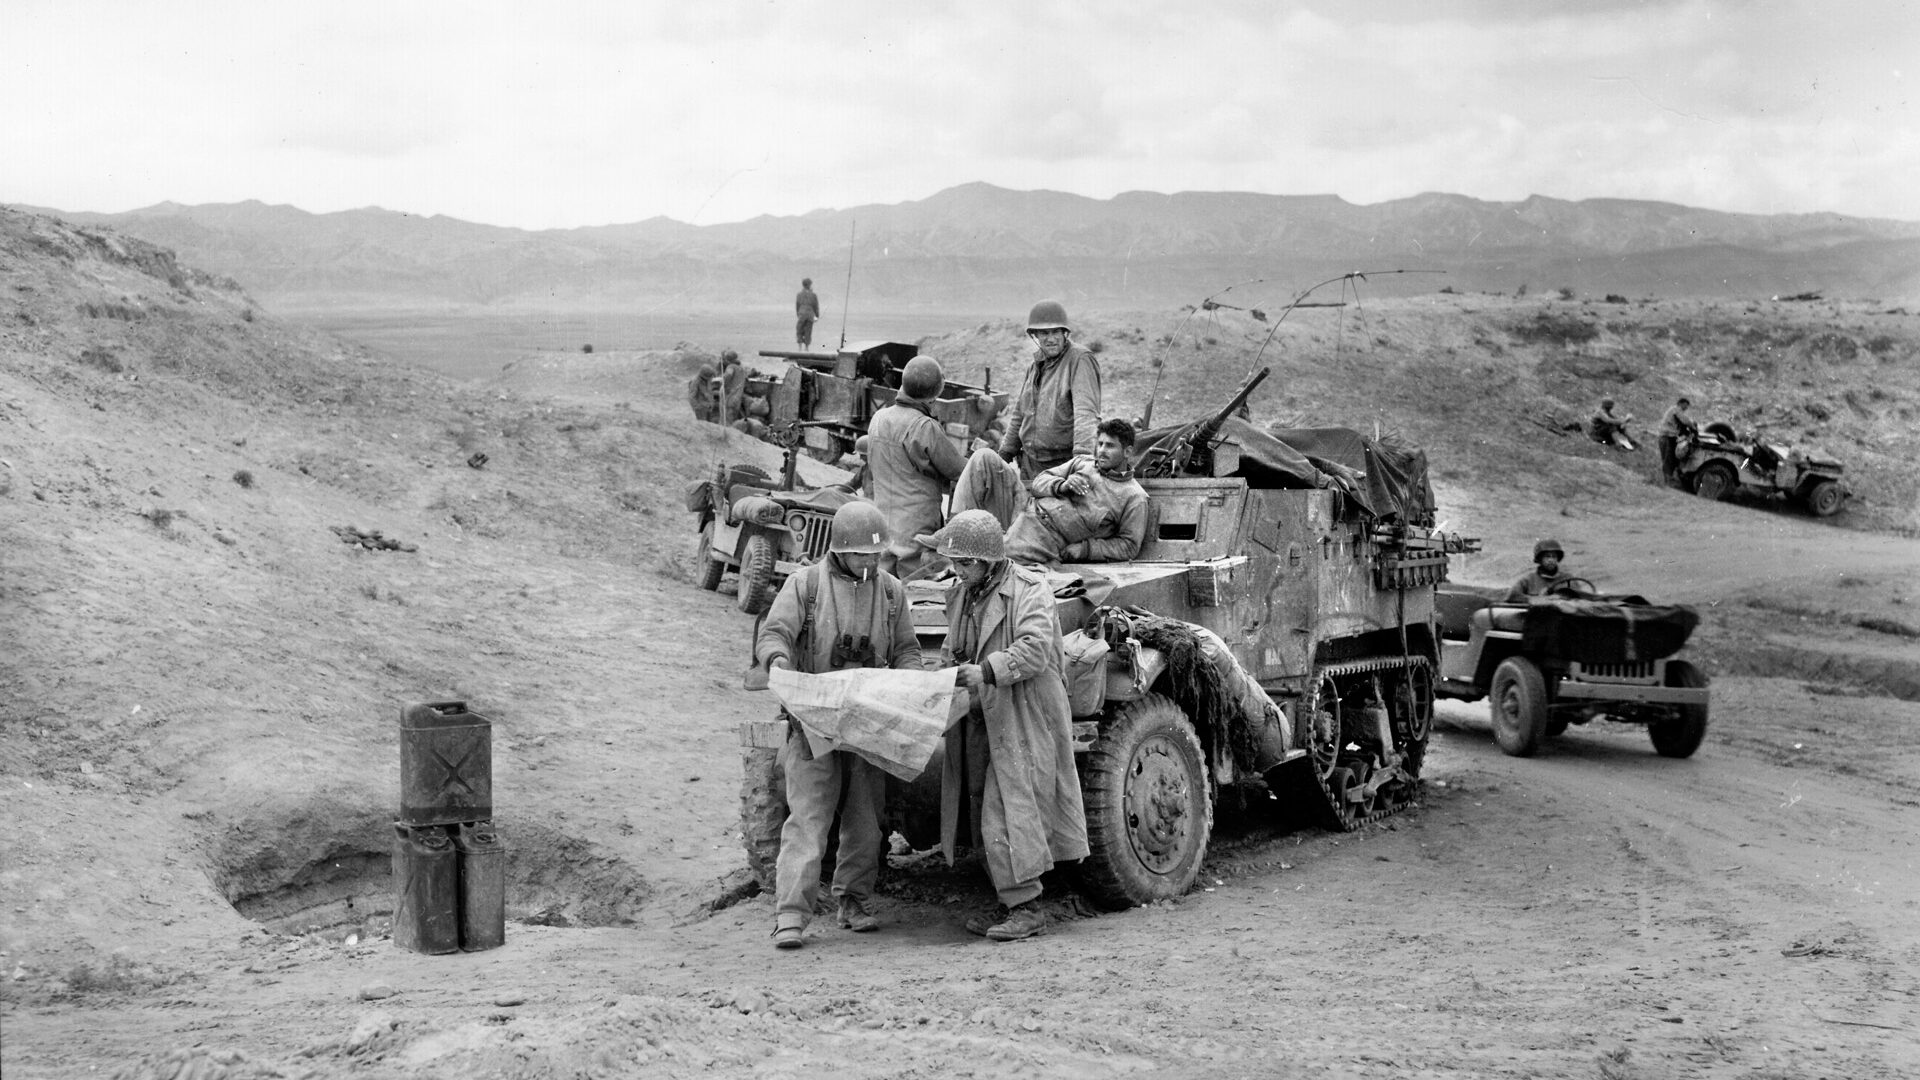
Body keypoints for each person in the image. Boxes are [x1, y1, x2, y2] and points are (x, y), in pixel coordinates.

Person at [756, 502, 922, 950]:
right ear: (840, 551)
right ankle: (791, 914)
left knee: (867, 821)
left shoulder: (891, 592)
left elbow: (907, 648)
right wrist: (780, 666)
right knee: (808, 818)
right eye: (862, 555)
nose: (871, 563)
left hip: (869, 722)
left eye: (877, 556)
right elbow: (774, 635)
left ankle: (855, 900)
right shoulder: (805, 585)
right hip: (814, 721)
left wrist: (906, 684)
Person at [916, 510, 1089, 942]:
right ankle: (1009, 898)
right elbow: (954, 650)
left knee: (1009, 807)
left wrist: (986, 671)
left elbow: (1033, 650)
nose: (958, 571)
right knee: (980, 807)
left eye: (966, 563)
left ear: (991, 561)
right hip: (981, 714)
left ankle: (1028, 906)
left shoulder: (1031, 592)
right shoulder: (961, 594)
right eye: (955, 563)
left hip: (1024, 713)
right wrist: (942, 676)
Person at [867, 356, 968, 577]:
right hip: (916, 527)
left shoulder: (878, 418)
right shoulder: (924, 426)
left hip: (883, 520)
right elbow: (958, 470)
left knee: (884, 584)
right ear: (935, 393)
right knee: (913, 590)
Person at [1004, 418, 1148, 566]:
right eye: (1100, 444)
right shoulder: (1083, 463)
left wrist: (1086, 549)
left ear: (1127, 452)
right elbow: (1038, 482)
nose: (1102, 451)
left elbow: (1129, 546)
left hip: (1049, 540)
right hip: (1025, 518)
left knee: (1000, 561)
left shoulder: (1134, 496)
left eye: (1110, 446)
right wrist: (1061, 485)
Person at [998, 299, 1103, 481]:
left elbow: (1086, 413)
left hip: (1062, 468)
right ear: (1035, 336)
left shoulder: (1079, 360)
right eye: (1044, 333)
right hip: (1030, 465)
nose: (1051, 338)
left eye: (1056, 332)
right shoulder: (1035, 366)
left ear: (1065, 333)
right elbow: (1019, 414)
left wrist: (1081, 463)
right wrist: (1004, 454)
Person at [1506, 538, 1577, 600]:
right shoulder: (1529, 579)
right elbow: (1512, 596)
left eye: (1554, 557)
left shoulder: (1568, 579)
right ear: (1540, 559)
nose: (1551, 560)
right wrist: (1537, 600)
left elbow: (1581, 599)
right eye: (1547, 556)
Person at [1658, 397, 1698, 486]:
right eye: (1686, 406)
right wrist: (1693, 427)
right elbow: (1685, 420)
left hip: (1666, 436)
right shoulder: (1676, 410)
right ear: (1681, 403)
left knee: (1669, 458)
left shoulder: (1674, 410)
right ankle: (1667, 481)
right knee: (1668, 459)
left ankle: (1668, 479)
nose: (1686, 408)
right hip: (1667, 437)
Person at [795, 278, 820, 349]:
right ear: (809, 285)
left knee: (799, 330)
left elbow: (797, 306)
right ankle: (806, 348)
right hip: (810, 315)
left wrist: (798, 314)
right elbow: (816, 306)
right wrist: (817, 316)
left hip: (801, 315)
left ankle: (799, 347)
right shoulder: (813, 295)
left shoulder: (799, 295)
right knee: (808, 331)